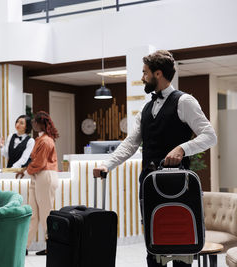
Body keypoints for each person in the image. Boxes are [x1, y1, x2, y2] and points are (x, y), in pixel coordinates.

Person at [93, 50, 217, 267]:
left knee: (180, 243)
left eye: (144, 72)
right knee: (153, 245)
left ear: (158, 74)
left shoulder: (184, 101)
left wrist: (182, 148)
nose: (142, 77)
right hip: (149, 184)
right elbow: (131, 143)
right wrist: (107, 164)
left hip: (180, 185)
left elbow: (210, 136)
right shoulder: (145, 107)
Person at [16, 111, 59, 256]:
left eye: (35, 121)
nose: (33, 123)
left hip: (45, 176)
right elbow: (36, 162)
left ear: (42, 123)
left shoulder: (46, 141)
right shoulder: (41, 139)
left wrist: (25, 171)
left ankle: (52, 246)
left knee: (47, 213)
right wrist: (26, 170)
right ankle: (25, 246)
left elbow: (40, 163)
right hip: (38, 176)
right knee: (32, 214)